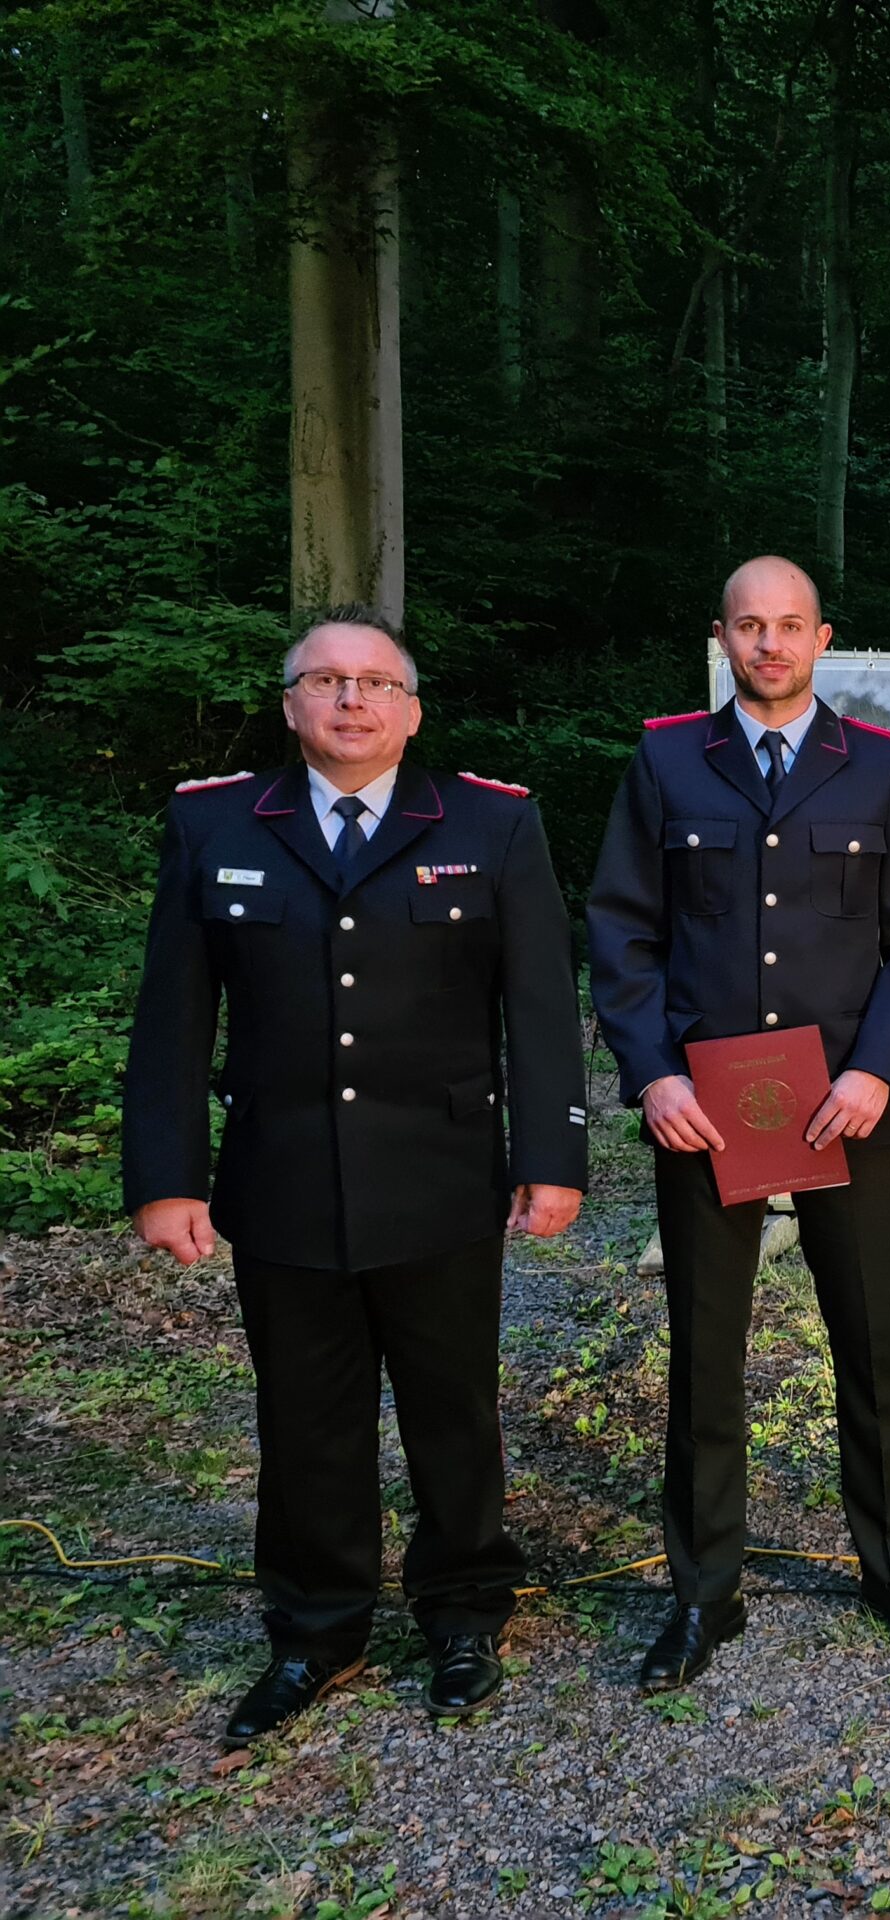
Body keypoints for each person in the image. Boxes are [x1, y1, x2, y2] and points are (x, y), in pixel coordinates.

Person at [123, 608, 586, 1745]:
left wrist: (551, 1158)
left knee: (452, 1409)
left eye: (376, 683)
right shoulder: (216, 822)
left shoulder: (490, 822)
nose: (351, 700)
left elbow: (538, 1008)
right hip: (283, 1178)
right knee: (305, 1418)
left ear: (411, 711)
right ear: (290, 705)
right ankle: (316, 1628)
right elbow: (174, 1014)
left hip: (439, 1177)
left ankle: (463, 1610)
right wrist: (166, 1176)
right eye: (325, 681)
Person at [586, 555, 890, 1689]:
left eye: (790, 625)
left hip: (844, 1103)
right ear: (723, 637)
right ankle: (705, 1590)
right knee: (705, 1349)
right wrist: (653, 1076)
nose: (770, 644)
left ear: (822, 638)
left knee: (869, 1339)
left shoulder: (877, 766)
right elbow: (623, 929)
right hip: (706, 1107)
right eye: (749, 625)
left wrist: (877, 1071)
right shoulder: (667, 761)